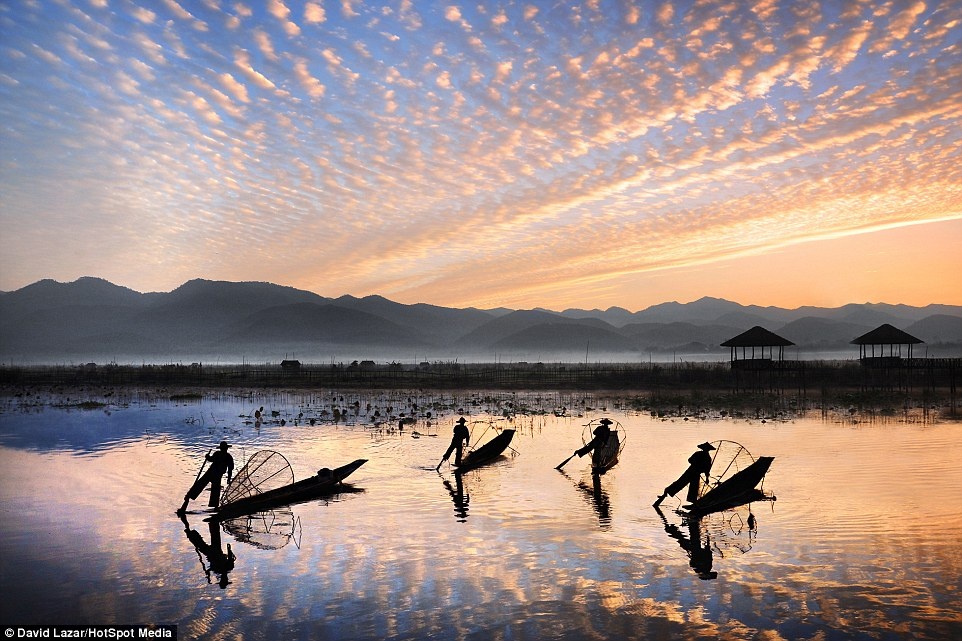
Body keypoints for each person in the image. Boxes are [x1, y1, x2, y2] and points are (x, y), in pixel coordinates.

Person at [178, 440, 235, 513]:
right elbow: (212, 460)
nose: (224, 449)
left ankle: (213, 506)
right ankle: (188, 498)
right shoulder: (225, 456)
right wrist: (207, 457)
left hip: (215, 474)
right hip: (212, 473)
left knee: (210, 488)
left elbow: (229, 468)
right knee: (202, 485)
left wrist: (207, 457)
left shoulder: (226, 456)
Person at [653, 442, 715, 506]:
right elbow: (706, 469)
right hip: (694, 473)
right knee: (687, 485)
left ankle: (665, 494)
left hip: (691, 472)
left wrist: (705, 475)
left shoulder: (699, 454)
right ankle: (665, 494)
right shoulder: (707, 457)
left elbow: (690, 461)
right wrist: (707, 477)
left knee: (683, 484)